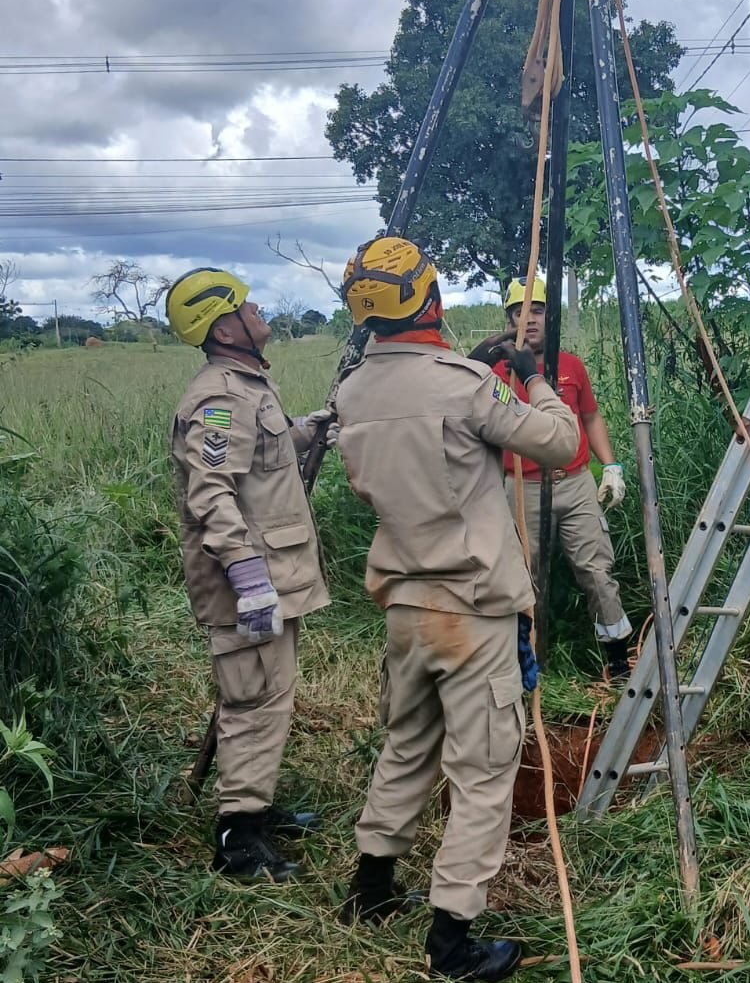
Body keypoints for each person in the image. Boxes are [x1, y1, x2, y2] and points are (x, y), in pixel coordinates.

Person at [335, 236, 578, 982]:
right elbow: (560, 443)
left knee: (407, 747)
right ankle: (452, 941)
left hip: (405, 605)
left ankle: (371, 889)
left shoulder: (351, 392)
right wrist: (532, 377)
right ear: (429, 300)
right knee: (482, 770)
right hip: (472, 610)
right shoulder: (463, 383)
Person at [166, 267, 334, 883]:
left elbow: (255, 459)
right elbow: (211, 490)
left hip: (270, 573)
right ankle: (238, 841)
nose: (259, 308)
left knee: (267, 695)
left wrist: (301, 433)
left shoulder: (248, 386)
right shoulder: (220, 398)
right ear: (225, 326)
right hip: (250, 581)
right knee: (251, 701)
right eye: (245, 304)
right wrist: (246, 574)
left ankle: (254, 805)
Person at [469, 277, 633, 682]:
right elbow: (459, 388)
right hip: (520, 487)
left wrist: (610, 466)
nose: (529, 320)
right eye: (519, 313)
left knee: (596, 571)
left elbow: (590, 416)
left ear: (550, 315)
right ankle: (527, 664)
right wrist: (496, 350)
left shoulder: (570, 366)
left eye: (537, 310)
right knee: (524, 577)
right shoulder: (494, 372)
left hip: (573, 483)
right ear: (509, 319)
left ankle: (617, 662)